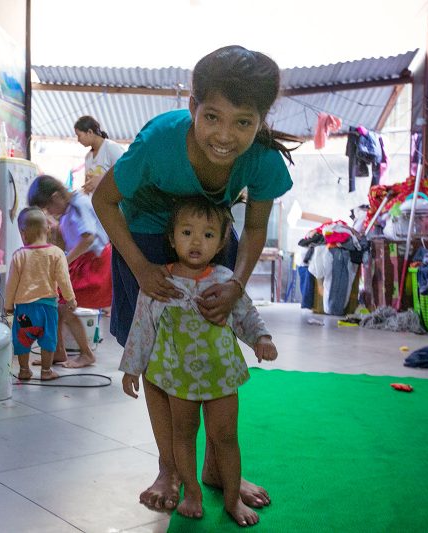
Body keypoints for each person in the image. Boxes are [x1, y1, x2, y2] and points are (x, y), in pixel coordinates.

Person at [92, 45, 295, 512]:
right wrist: (142, 269)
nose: (225, 136)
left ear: (260, 120)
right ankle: (170, 468)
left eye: (243, 122)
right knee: (161, 354)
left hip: (208, 231)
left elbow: (256, 228)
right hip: (143, 233)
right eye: (212, 117)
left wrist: (236, 286)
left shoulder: (262, 159)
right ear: (192, 108)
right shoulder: (160, 142)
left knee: (208, 339)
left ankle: (217, 470)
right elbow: (104, 201)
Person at [120, 197, 277, 525]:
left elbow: (244, 312)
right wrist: (132, 368)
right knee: (184, 434)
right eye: (187, 232)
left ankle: (232, 499)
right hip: (178, 377)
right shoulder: (158, 282)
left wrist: (261, 339)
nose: (195, 241)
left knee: (226, 436)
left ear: (221, 241)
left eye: (207, 235)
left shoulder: (225, 279)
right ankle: (191, 491)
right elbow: (141, 328)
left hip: (221, 375)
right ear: (172, 237)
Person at [28, 174, 112, 368]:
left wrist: (64, 261)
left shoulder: (79, 204)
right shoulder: (66, 212)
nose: (49, 212)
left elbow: (89, 238)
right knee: (55, 303)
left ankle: (86, 353)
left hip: (94, 261)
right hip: (82, 260)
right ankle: (58, 352)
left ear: (56, 196)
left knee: (65, 305)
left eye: (48, 207)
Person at [4, 207, 77, 381]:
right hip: (48, 307)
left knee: (22, 340)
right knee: (48, 339)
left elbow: (11, 284)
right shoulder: (56, 253)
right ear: (48, 229)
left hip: (24, 308)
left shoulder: (19, 255)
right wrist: (70, 299)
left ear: (23, 234)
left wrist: (8, 306)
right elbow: (64, 280)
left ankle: (23, 370)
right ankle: (46, 371)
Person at [74, 115, 126, 194]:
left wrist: (102, 180)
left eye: (79, 135)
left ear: (90, 132)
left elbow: (125, 173)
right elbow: (87, 186)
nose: (78, 140)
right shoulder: (88, 157)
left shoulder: (111, 148)